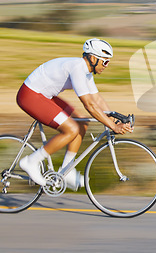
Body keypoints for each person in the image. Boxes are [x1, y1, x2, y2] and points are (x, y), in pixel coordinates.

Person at [17, 38, 133, 190]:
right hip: (30, 96)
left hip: (44, 96)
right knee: (71, 129)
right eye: (105, 62)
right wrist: (111, 125)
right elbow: (89, 105)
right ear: (93, 58)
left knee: (82, 122)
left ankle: (67, 171)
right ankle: (31, 161)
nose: (107, 66)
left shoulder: (87, 72)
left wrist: (116, 119)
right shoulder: (78, 68)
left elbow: (97, 99)